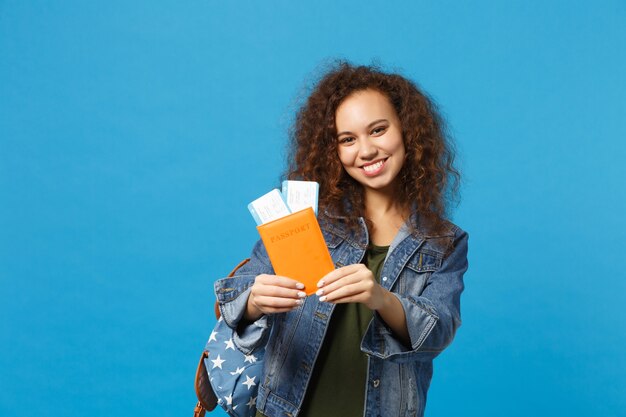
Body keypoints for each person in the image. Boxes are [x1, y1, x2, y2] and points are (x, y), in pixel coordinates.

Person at [214, 61, 469, 417]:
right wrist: (256, 299)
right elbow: (236, 297)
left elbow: (438, 330)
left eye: (378, 130)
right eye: (347, 139)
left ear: (407, 131)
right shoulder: (306, 218)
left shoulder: (443, 240)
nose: (365, 151)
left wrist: (380, 297)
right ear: (333, 150)